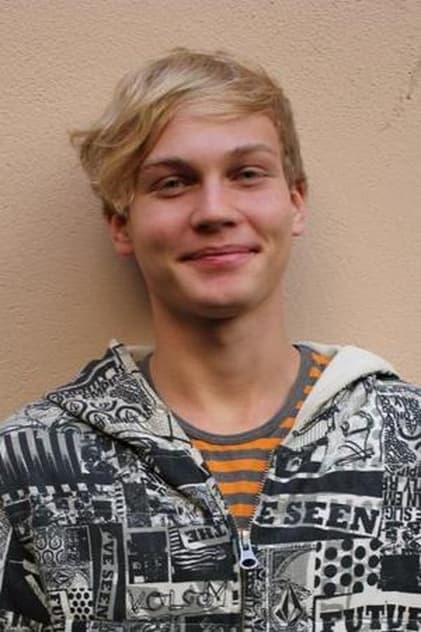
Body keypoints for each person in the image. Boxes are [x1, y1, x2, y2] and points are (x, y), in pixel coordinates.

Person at [0, 48, 420, 632]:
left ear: (295, 201)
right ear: (121, 224)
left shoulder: (409, 441)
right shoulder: (25, 467)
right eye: (173, 183)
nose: (215, 211)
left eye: (247, 174)